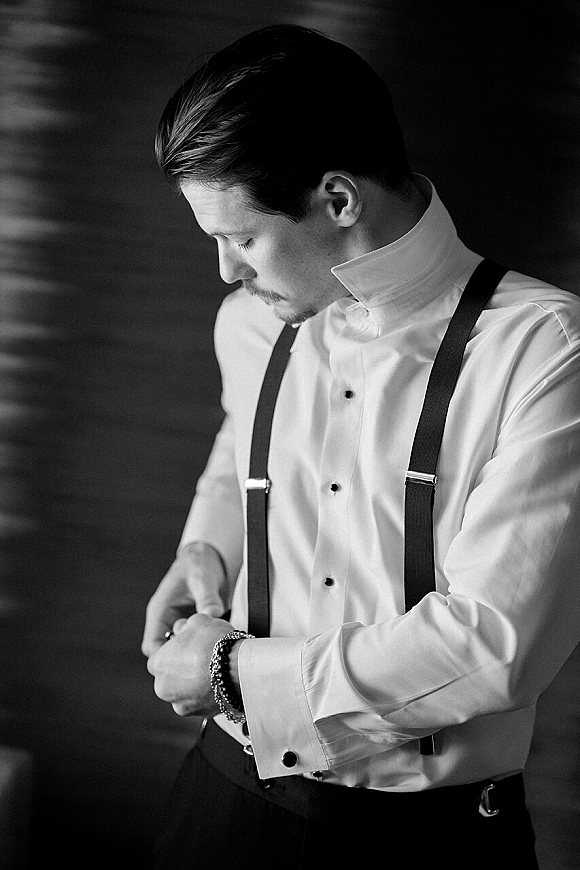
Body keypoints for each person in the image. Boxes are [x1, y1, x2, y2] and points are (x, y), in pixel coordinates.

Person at [142, 24, 580, 870]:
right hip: (221, 809)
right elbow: (245, 437)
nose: (226, 273)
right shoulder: (250, 324)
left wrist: (234, 677)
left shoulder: (548, 350)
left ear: (338, 200)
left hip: (429, 844)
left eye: (241, 238)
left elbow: (496, 646)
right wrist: (205, 545)